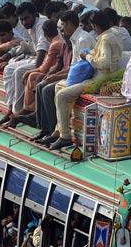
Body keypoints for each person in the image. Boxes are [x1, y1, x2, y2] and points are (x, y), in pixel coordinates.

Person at [48, 12, 123, 150]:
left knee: (62, 95)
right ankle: (60, 129)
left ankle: (65, 137)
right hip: (100, 76)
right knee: (58, 86)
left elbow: (104, 63)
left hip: (99, 80)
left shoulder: (106, 39)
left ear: (95, 26)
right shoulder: (111, 35)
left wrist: (87, 56)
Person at [8, 20, 63, 125]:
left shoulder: (55, 44)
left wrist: (30, 71)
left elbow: (44, 68)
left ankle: (30, 109)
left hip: (55, 73)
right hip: (54, 71)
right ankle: (28, 109)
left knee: (33, 76)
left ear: (45, 34)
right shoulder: (57, 42)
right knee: (33, 75)